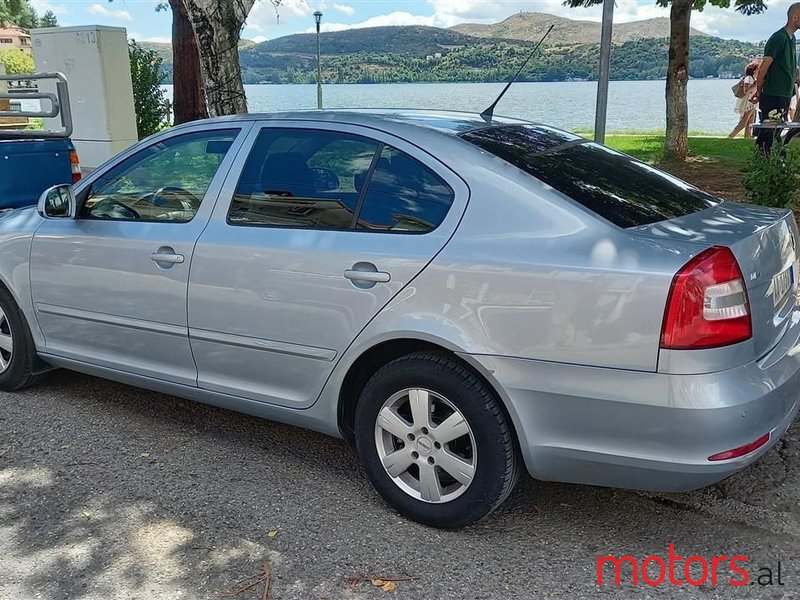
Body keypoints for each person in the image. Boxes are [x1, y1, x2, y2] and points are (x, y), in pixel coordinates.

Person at [753, 3, 800, 152]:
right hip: (773, 93)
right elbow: (764, 66)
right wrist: (759, 89)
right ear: (794, 17)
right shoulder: (778, 38)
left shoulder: (792, 39)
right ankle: (762, 162)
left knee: (777, 130)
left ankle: (771, 162)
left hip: (785, 94)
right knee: (768, 132)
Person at [728, 60, 759, 138]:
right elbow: (746, 90)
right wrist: (755, 84)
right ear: (754, 70)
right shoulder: (748, 78)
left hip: (752, 103)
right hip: (747, 103)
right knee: (743, 123)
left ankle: (747, 138)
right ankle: (730, 136)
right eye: (758, 69)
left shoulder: (753, 79)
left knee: (750, 122)